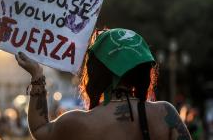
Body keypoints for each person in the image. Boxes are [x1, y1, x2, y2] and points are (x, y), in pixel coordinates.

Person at [15, 28, 191, 140]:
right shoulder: (164, 113)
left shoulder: (77, 122)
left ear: (95, 72)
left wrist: (37, 75)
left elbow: (39, 129)